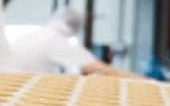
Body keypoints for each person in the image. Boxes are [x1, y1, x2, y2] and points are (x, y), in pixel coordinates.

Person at [9, 6, 140, 78]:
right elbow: (99, 68)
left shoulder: (33, 35)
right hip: (22, 88)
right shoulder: (56, 41)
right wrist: (147, 81)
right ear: (77, 26)